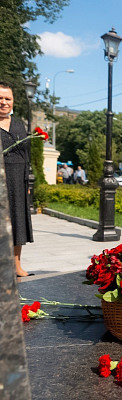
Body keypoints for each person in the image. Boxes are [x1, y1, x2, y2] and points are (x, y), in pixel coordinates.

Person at [0, 81, 34, 277]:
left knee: (17, 221)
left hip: (18, 180)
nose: (4, 102)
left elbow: (26, 155)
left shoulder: (19, 124)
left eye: (8, 98)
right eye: (0, 98)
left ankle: (16, 266)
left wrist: (27, 180)